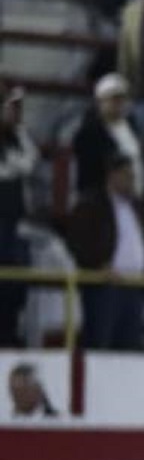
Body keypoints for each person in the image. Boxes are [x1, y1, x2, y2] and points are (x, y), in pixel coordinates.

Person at [63, 153, 144, 351]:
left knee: (130, 345)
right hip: (104, 285)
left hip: (135, 286)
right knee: (101, 342)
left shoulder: (137, 207)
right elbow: (77, 241)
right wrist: (97, 265)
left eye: (133, 176)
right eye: (127, 175)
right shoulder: (92, 204)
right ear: (112, 175)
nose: (131, 181)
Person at [0, 82, 39, 346]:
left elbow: (31, 161)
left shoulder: (17, 136)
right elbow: (7, 170)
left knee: (17, 285)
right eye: (12, 107)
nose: (16, 113)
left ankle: (11, 332)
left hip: (17, 222)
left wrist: (20, 130)